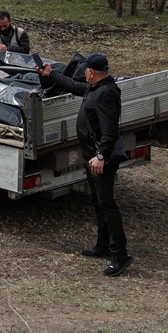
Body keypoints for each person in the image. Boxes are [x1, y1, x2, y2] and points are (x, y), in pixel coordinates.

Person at [37, 54, 133, 277]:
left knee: (107, 204)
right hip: (92, 157)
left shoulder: (107, 93)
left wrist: (101, 156)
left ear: (91, 72)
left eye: (85, 71)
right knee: (98, 202)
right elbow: (73, 85)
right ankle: (103, 246)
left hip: (102, 160)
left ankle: (120, 254)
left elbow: (110, 130)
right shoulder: (95, 87)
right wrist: (52, 74)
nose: (83, 74)